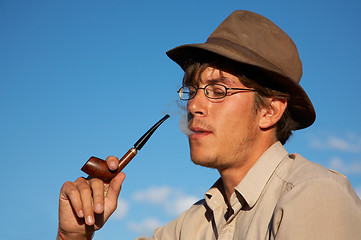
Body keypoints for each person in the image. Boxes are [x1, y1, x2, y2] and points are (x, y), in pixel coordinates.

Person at [57, 10, 361, 240]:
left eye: (219, 91)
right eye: (192, 90)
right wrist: (72, 236)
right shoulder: (189, 226)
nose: (193, 105)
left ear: (269, 111)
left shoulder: (314, 196)